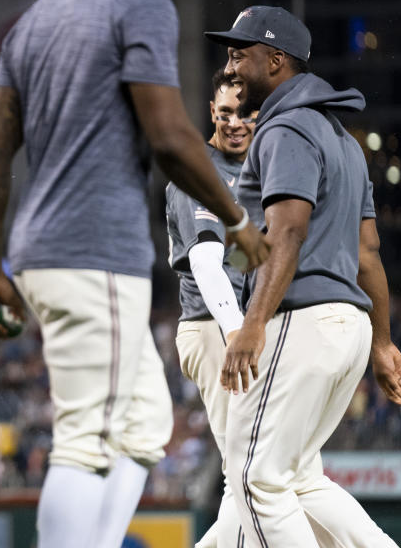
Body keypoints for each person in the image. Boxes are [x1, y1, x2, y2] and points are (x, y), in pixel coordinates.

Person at [0, 0, 270, 547]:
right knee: (87, 440)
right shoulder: (142, 3)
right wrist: (239, 219)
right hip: (94, 251)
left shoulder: (33, 20)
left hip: (41, 251)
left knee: (143, 421)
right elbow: (167, 136)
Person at [208, 5, 401, 547]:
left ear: (276, 60)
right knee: (298, 480)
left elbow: (289, 233)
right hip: (347, 325)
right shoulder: (343, 140)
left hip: (301, 320)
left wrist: (252, 324)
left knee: (255, 481)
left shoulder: (286, 127)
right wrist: (384, 341)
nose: (230, 69)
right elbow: (368, 251)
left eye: (239, 55)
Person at [166, 70, 255, 547]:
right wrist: (240, 334)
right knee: (247, 467)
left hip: (238, 329)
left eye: (245, 113)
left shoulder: (258, 171)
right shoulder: (198, 168)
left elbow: (244, 259)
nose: (235, 123)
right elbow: (205, 260)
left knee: (251, 469)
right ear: (211, 112)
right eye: (225, 114)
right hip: (212, 327)